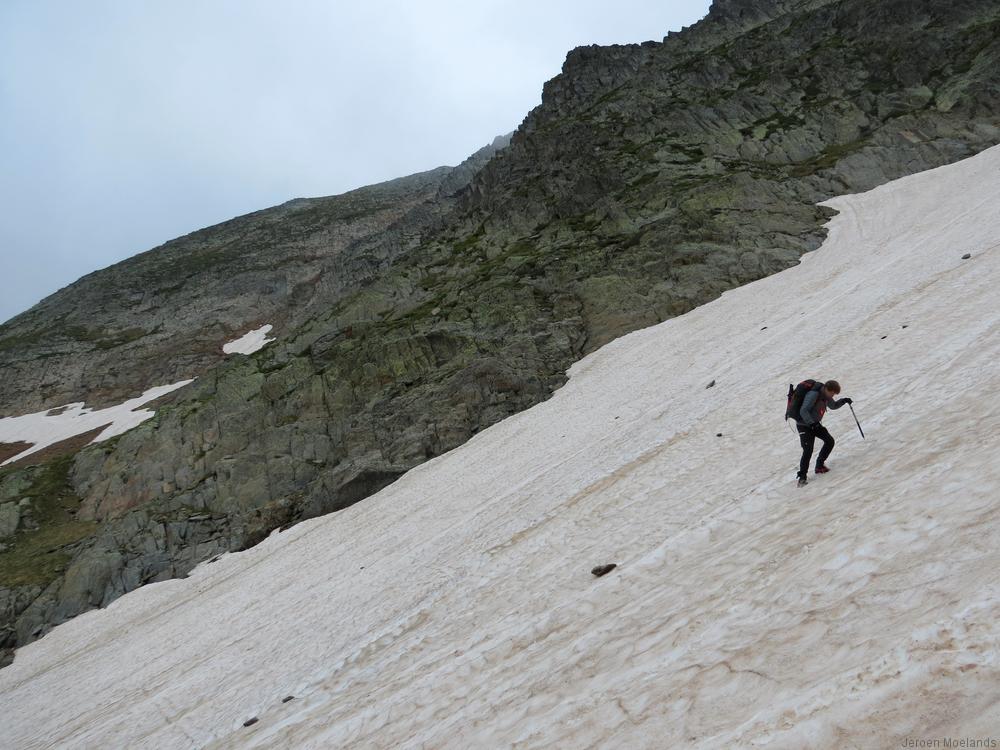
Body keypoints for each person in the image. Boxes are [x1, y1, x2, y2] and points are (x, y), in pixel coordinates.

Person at [794, 379, 852, 487]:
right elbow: (803, 410)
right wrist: (812, 424)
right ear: (826, 389)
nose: (832, 396)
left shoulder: (826, 396)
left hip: (814, 424)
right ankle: (802, 478)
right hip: (804, 426)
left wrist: (843, 401)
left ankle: (819, 466)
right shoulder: (813, 394)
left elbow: (833, 406)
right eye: (832, 393)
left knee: (829, 441)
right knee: (808, 450)